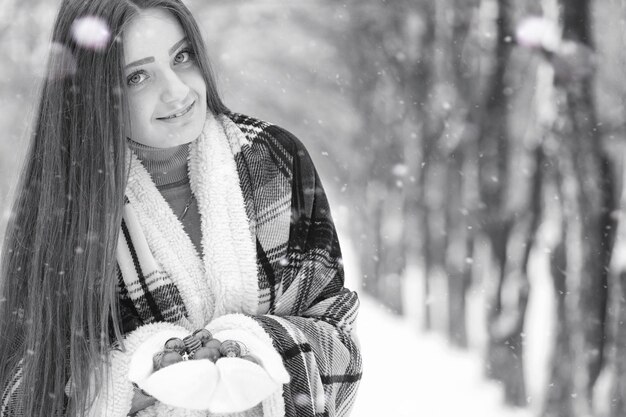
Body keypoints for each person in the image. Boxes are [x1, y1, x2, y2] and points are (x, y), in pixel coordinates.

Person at [0, 0, 362, 416]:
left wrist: (252, 351)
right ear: (93, 94)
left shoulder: (272, 161)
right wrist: (137, 381)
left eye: (182, 56)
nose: (177, 91)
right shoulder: (64, 206)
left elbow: (339, 339)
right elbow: (22, 387)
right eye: (137, 76)